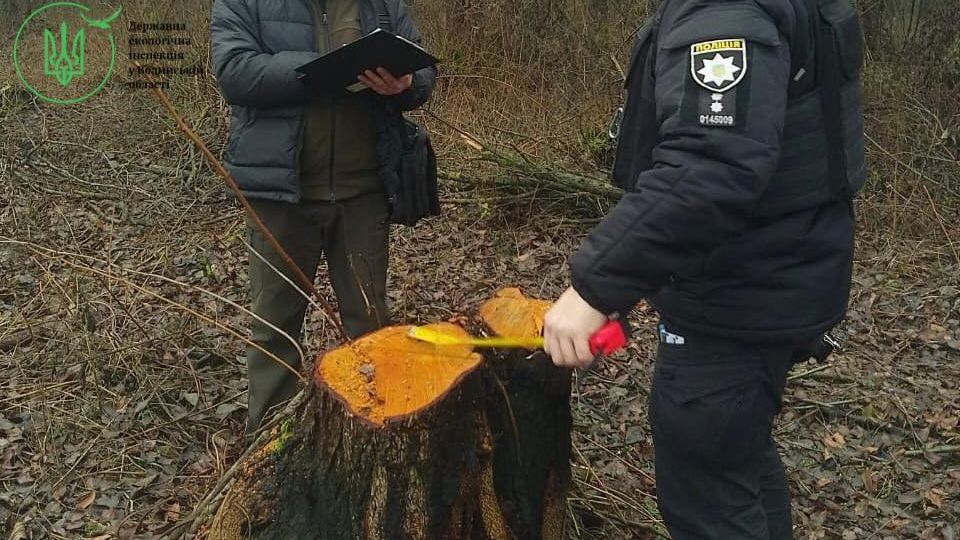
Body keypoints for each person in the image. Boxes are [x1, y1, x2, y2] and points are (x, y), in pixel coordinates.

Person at [543, 0, 865, 538]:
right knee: (735, 460)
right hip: (771, 279)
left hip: (738, 297)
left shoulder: (724, 10)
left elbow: (710, 166)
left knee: (708, 496)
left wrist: (592, 290)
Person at [209, 0, 436, 434]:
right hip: (281, 194)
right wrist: (326, 70)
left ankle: (373, 438)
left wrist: (405, 83)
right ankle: (271, 448)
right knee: (276, 329)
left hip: (363, 193)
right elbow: (236, 72)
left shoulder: (381, 4)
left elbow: (423, 73)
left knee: (370, 325)